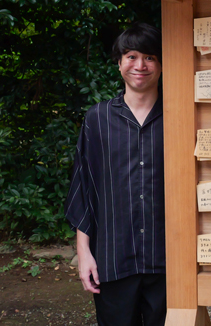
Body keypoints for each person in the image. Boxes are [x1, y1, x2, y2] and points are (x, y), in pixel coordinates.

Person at [65, 23, 166, 326]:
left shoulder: (180, 115)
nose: (140, 65)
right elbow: (84, 187)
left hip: (169, 259)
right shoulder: (98, 118)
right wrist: (84, 253)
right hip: (112, 256)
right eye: (131, 56)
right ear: (119, 63)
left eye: (149, 57)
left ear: (161, 64)